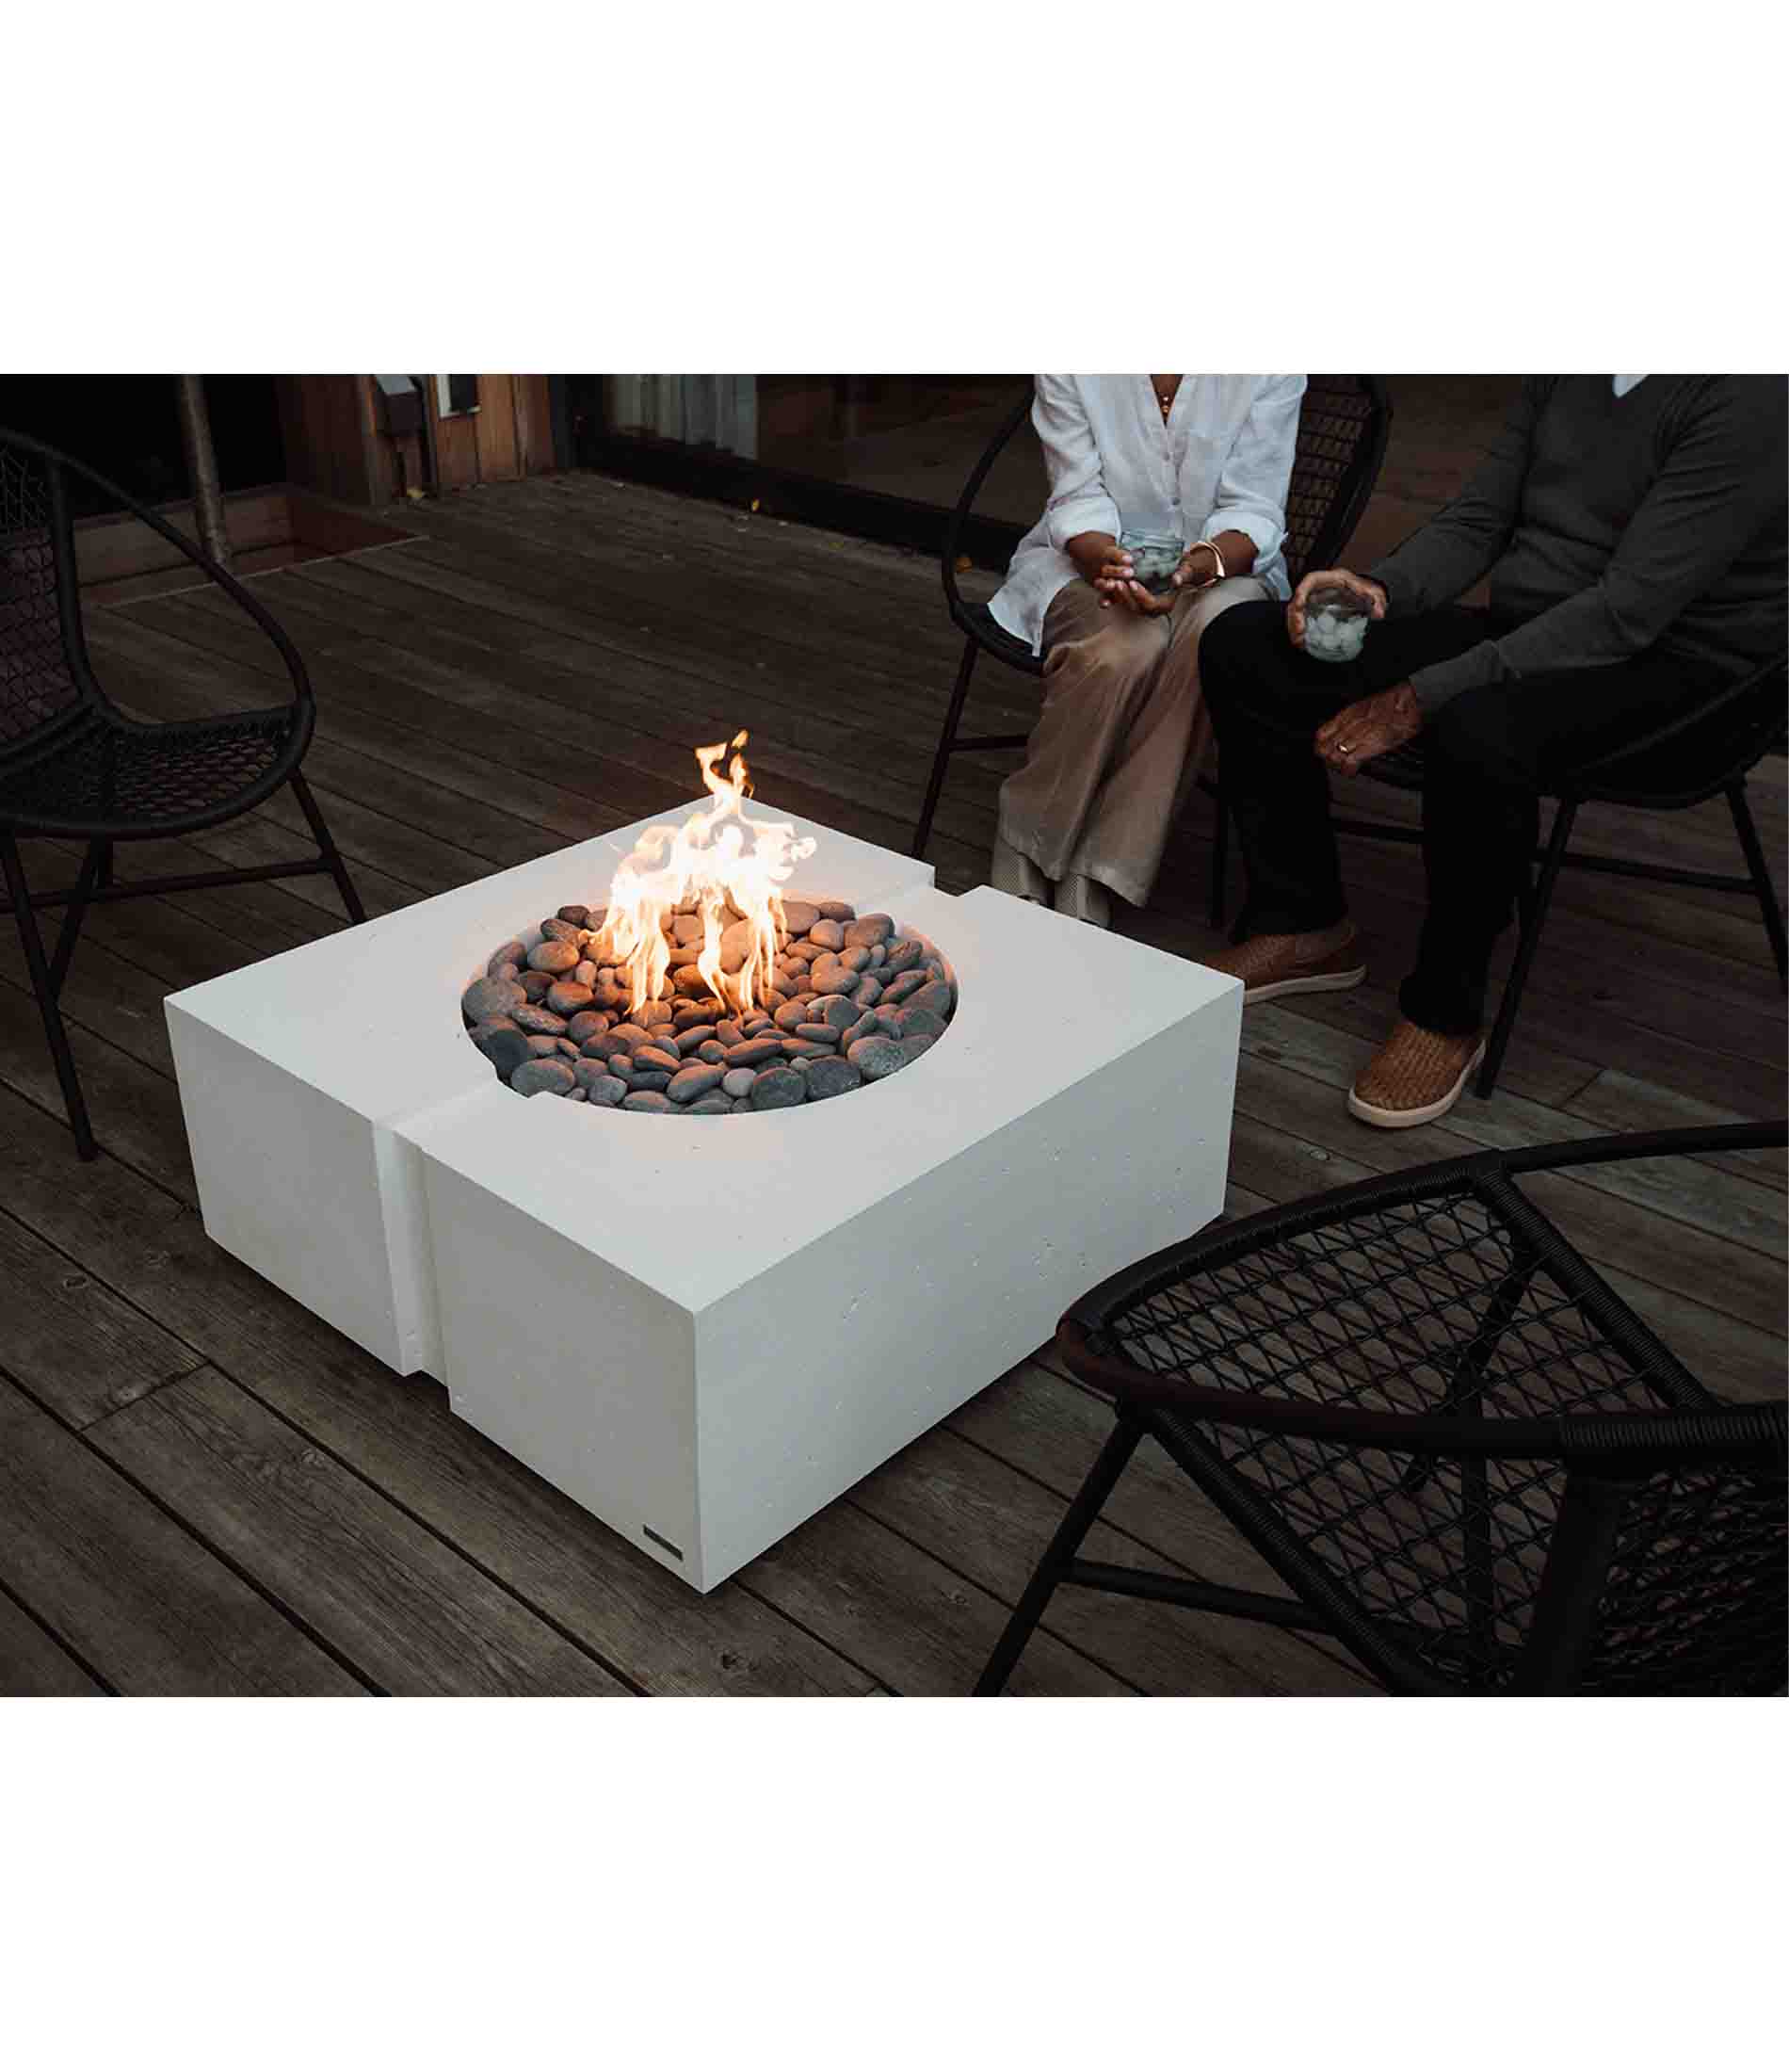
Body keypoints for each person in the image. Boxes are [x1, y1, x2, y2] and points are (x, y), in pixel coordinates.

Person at [1196, 374, 1788, 1128]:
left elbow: (1627, 612)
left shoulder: (1752, 391)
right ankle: (1303, 920)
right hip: (1537, 632)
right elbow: (1481, 518)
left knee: (1475, 722)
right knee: (1248, 644)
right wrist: (1377, 590)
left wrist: (1420, 696)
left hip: (1688, 674)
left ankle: (1444, 1011)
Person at [986, 374, 1306, 926]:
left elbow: (1254, 508)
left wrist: (1192, 569)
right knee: (1125, 649)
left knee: (1217, 637)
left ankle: (1101, 865)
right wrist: (1107, 562)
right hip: (1089, 560)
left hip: (1220, 569)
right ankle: (1027, 837)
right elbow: (1077, 496)